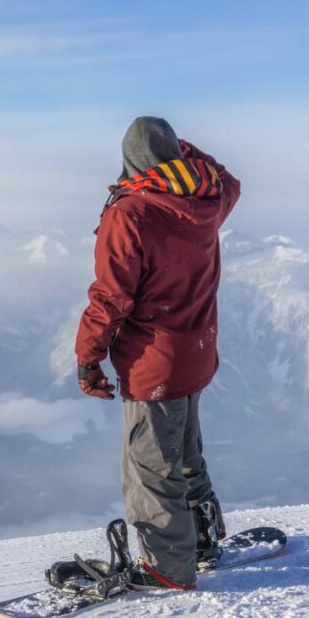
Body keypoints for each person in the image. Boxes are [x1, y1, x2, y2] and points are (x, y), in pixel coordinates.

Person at [74, 116, 241, 590]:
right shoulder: (208, 197)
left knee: (151, 467)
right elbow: (226, 175)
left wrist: (89, 357)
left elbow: (111, 297)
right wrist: (175, 149)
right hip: (197, 350)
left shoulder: (129, 213)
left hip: (153, 362)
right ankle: (203, 540)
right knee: (187, 452)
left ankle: (167, 566)